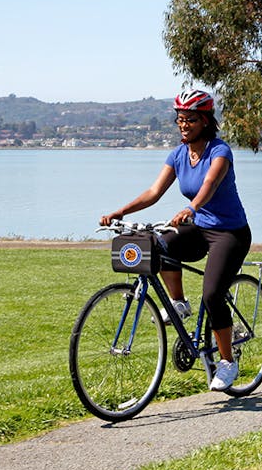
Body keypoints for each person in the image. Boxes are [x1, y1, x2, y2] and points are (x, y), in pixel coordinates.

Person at [100, 89, 252, 391]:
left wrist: (191, 207)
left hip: (229, 233)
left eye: (191, 119)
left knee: (212, 295)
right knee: (157, 243)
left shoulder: (219, 151)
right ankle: (179, 303)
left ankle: (227, 362)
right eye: (180, 119)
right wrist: (119, 211)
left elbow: (209, 185)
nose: (184, 124)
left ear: (206, 121)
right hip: (198, 228)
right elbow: (153, 193)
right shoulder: (178, 155)